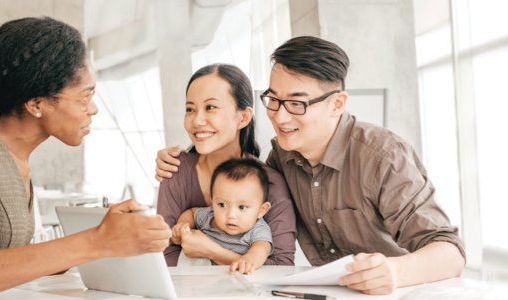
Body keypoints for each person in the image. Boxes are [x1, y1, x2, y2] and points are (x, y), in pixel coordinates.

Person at [155, 36, 466, 295]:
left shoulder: (383, 156)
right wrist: (179, 157)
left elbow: (450, 252)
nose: (279, 116)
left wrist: (395, 271)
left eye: (297, 103)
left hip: (401, 293)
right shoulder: (280, 159)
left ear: (337, 104)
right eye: (273, 100)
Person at [0, 17, 171, 300]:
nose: (92, 109)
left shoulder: (18, 158)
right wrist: (96, 241)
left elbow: (7, 264)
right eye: (84, 97)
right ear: (36, 103)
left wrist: (102, 234)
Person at [156, 63, 297, 267]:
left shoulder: (270, 183)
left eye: (210, 107)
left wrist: (212, 251)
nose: (197, 120)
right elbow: (164, 258)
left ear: (243, 117)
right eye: (190, 109)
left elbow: (281, 268)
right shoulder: (174, 170)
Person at [171, 158, 274, 274]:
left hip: (231, 280)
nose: (231, 215)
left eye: (242, 207)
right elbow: (191, 212)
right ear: (213, 201)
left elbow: (262, 250)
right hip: (194, 277)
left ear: (261, 210)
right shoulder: (209, 216)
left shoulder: (257, 230)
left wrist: (248, 260)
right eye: (222, 205)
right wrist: (181, 225)